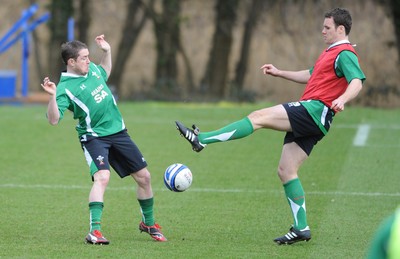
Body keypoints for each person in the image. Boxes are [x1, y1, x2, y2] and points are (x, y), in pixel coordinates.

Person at [175, 7, 365, 245]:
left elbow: (356, 81)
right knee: (286, 171)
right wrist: (279, 73)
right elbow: (311, 75)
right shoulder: (331, 52)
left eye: (327, 27)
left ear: (340, 29)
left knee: (258, 116)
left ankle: (201, 139)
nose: (322, 30)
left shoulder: (345, 53)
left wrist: (343, 98)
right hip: (317, 119)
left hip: (314, 110)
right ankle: (301, 228)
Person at [41, 35, 167, 245]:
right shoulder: (64, 88)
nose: (88, 61)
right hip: (94, 137)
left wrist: (107, 52)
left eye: (89, 57)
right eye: (83, 58)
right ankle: (95, 232)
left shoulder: (92, 71)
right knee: (102, 177)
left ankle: (149, 223)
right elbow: (53, 120)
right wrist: (53, 96)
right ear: (71, 62)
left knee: (144, 177)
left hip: (119, 133)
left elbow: (105, 71)